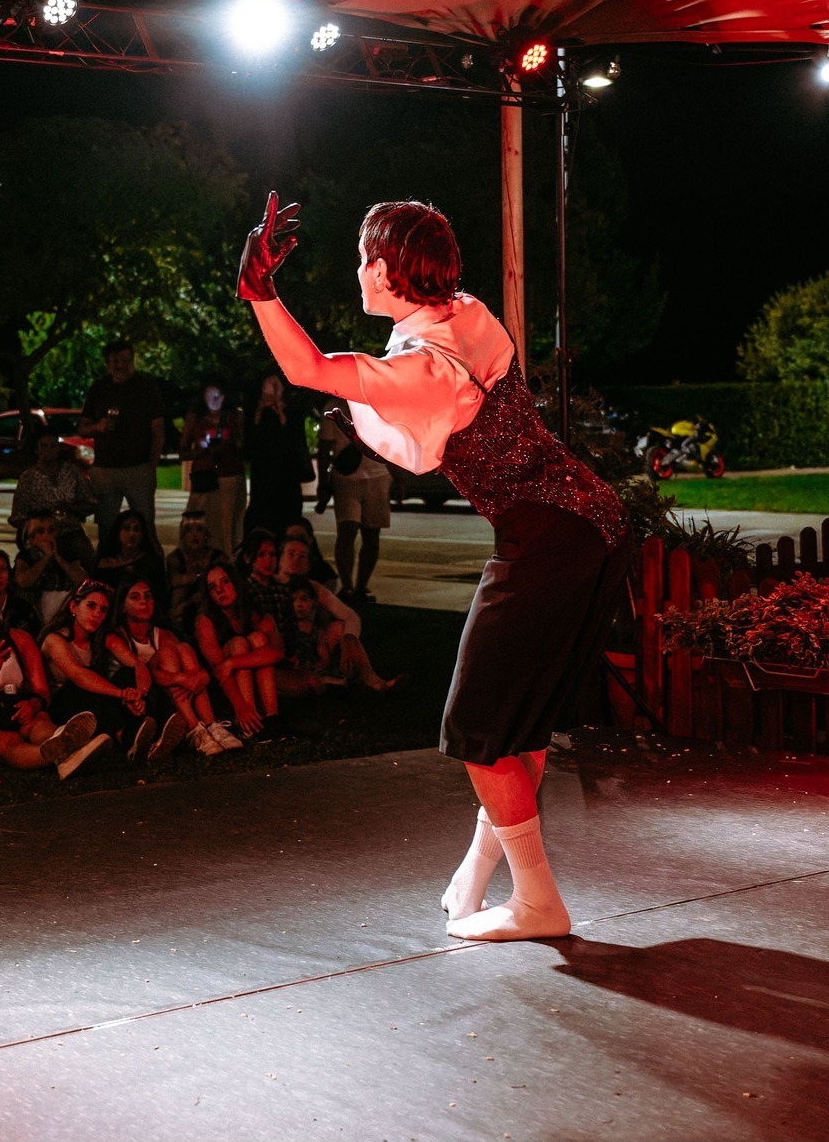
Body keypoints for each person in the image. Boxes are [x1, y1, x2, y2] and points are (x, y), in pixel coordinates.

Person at [240, 193, 630, 942]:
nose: (359, 272)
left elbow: (307, 368)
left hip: (547, 536)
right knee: (518, 724)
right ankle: (479, 877)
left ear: (387, 271)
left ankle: (538, 902)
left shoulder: (422, 370)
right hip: (597, 522)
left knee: (478, 728)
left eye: (364, 260)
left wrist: (260, 291)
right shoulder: (468, 314)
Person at [0, 595, 104, 779]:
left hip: (11, 704)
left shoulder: (20, 638)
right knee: (9, 742)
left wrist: (33, 704)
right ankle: (63, 754)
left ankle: (68, 742)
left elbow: (42, 691)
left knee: (38, 723)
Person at [103, 576, 223, 758]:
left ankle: (211, 726)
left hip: (174, 696)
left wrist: (193, 680)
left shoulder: (164, 635)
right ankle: (195, 729)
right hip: (138, 700)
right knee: (168, 655)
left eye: (148, 596)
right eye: (135, 597)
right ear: (122, 607)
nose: (144, 601)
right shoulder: (115, 638)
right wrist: (182, 679)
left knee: (183, 648)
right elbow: (143, 671)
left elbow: (199, 673)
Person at [38, 579, 147, 764]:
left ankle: (136, 736)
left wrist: (138, 694)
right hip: (66, 707)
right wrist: (122, 694)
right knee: (85, 684)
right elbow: (78, 675)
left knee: (127, 674)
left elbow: (138, 665)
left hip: (96, 704)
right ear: (74, 607)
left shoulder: (101, 638)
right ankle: (125, 738)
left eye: (103, 610)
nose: (97, 614)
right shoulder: (55, 639)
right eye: (91, 606)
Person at [80, 340, 166, 556]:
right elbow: (83, 428)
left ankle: (153, 568)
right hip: (105, 470)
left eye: (125, 360)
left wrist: (151, 464)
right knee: (106, 528)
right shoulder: (99, 388)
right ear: (108, 363)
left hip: (137, 467)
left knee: (145, 526)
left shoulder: (145, 387)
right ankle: (106, 569)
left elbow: (158, 428)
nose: (120, 365)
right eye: (115, 361)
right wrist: (98, 427)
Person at [194, 560, 283, 744]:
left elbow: (277, 653)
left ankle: (272, 719)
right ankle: (248, 724)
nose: (220, 590)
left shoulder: (250, 611)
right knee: (238, 644)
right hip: (224, 691)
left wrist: (233, 663)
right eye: (212, 587)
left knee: (258, 639)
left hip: (253, 682)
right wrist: (241, 707)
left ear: (235, 582)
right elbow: (219, 670)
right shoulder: (205, 621)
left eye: (225, 582)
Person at [317, 400, 392, 601]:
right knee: (347, 531)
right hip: (347, 478)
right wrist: (322, 483)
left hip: (377, 475)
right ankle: (348, 586)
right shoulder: (333, 406)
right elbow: (324, 448)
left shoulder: (378, 402)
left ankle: (360, 586)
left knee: (371, 534)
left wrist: (397, 476)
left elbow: (390, 441)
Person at [181, 383, 245, 558]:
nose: (214, 400)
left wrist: (230, 442)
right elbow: (183, 451)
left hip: (230, 475)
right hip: (204, 477)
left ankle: (228, 557)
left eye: (218, 396)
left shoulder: (233, 418)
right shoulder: (196, 419)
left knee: (228, 523)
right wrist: (199, 450)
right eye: (210, 396)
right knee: (200, 520)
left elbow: (243, 445)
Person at [246, 373, 311, 540]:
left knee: (287, 520)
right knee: (262, 520)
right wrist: (260, 411)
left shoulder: (291, 410)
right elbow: (250, 440)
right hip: (263, 476)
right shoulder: (255, 411)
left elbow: (294, 438)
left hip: (286, 477)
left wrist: (281, 411)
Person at [8, 433, 97, 548]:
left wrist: (71, 508)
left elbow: (90, 502)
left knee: (81, 548)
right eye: (44, 446)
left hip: (68, 528)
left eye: (53, 446)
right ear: (36, 450)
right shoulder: (28, 477)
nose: (49, 450)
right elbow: (18, 515)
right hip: (40, 529)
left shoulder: (71, 471)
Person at [12, 512, 85, 625]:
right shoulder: (25, 556)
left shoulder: (67, 554)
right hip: (34, 617)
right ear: (30, 538)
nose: (47, 535)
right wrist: (46, 558)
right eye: (40, 531)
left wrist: (59, 559)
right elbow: (22, 581)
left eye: (51, 530)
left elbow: (83, 581)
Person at [94, 509, 164, 606]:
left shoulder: (152, 562)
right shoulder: (104, 563)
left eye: (136, 529)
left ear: (142, 534)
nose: (132, 533)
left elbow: (160, 597)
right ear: (118, 532)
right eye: (127, 528)